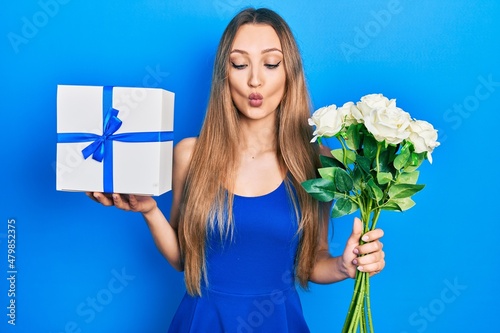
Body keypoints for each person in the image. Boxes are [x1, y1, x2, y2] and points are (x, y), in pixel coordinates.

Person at [88, 7, 385, 332]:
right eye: (239, 64)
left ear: (290, 73)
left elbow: (313, 260)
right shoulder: (189, 155)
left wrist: (345, 265)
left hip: (279, 322)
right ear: (223, 74)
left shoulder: (318, 160)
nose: (254, 79)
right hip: (202, 321)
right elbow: (184, 260)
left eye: (271, 64)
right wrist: (149, 210)